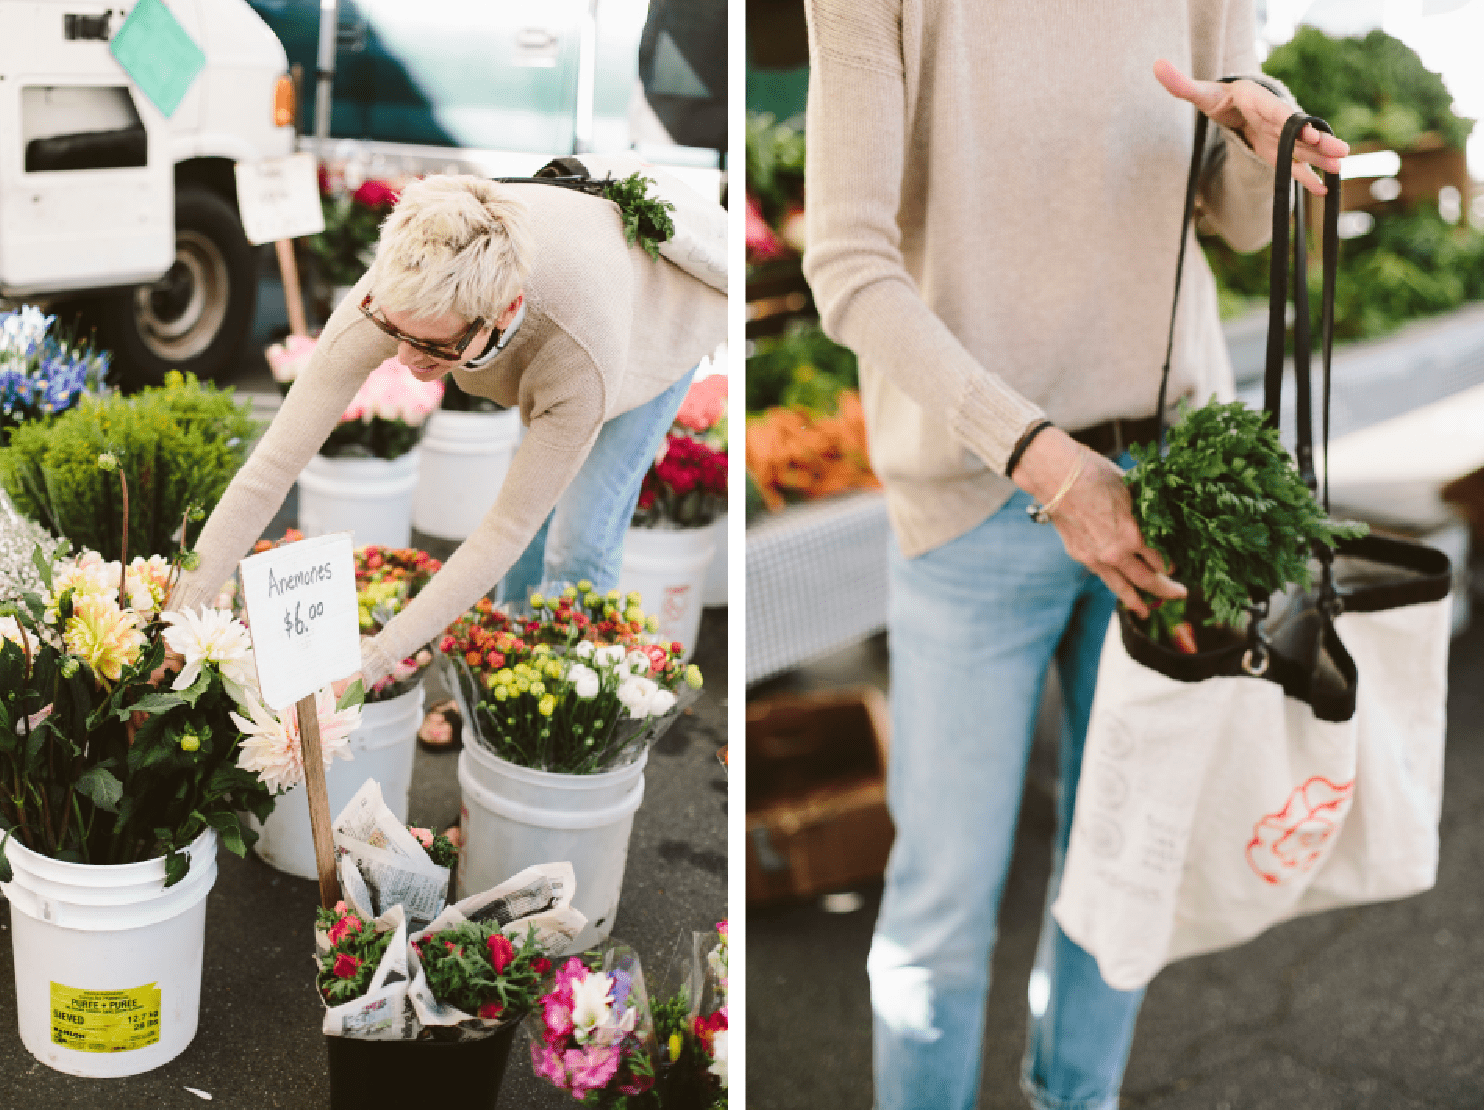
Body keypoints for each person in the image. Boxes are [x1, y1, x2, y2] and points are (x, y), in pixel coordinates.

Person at [799, 4, 1348, 1109]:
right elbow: (847, 267)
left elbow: (1231, 225)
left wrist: (1261, 137)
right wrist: (1049, 469)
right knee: (941, 903)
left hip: (1180, 489)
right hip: (971, 500)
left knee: (1121, 866)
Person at [169, 174, 726, 702]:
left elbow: (504, 530)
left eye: (431, 346)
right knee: (531, 535)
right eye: (395, 333)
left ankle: (547, 713)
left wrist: (376, 658)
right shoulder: (399, 289)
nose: (406, 360)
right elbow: (271, 467)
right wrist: (178, 616)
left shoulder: (582, 355)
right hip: (553, 297)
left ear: (502, 312)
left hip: (650, 326)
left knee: (580, 537)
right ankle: (495, 680)